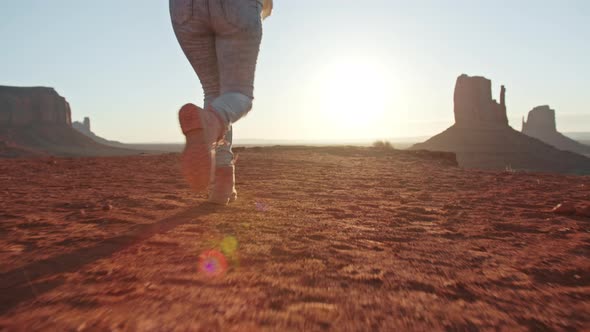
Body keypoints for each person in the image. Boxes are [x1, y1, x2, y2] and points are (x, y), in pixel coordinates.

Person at [170, 0, 272, 205]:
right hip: (237, 8)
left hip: (184, 9)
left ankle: (223, 184)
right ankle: (211, 121)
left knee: (215, 93)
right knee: (239, 94)